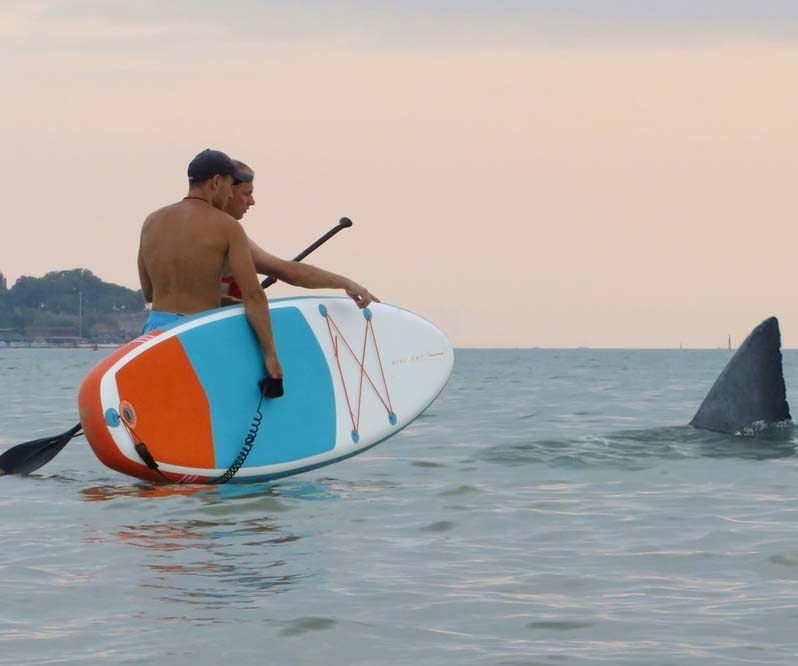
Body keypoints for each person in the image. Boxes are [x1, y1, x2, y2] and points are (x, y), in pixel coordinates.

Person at [137, 149, 283, 381]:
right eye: (229, 185)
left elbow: (148, 292)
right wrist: (271, 356)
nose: (229, 194)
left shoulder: (152, 221)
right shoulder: (226, 226)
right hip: (196, 334)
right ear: (216, 182)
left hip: (155, 332)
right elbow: (254, 295)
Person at [220, 160, 378, 308]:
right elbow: (291, 272)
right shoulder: (222, 233)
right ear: (228, 192)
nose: (252, 201)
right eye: (247, 193)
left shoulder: (208, 226)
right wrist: (346, 283)